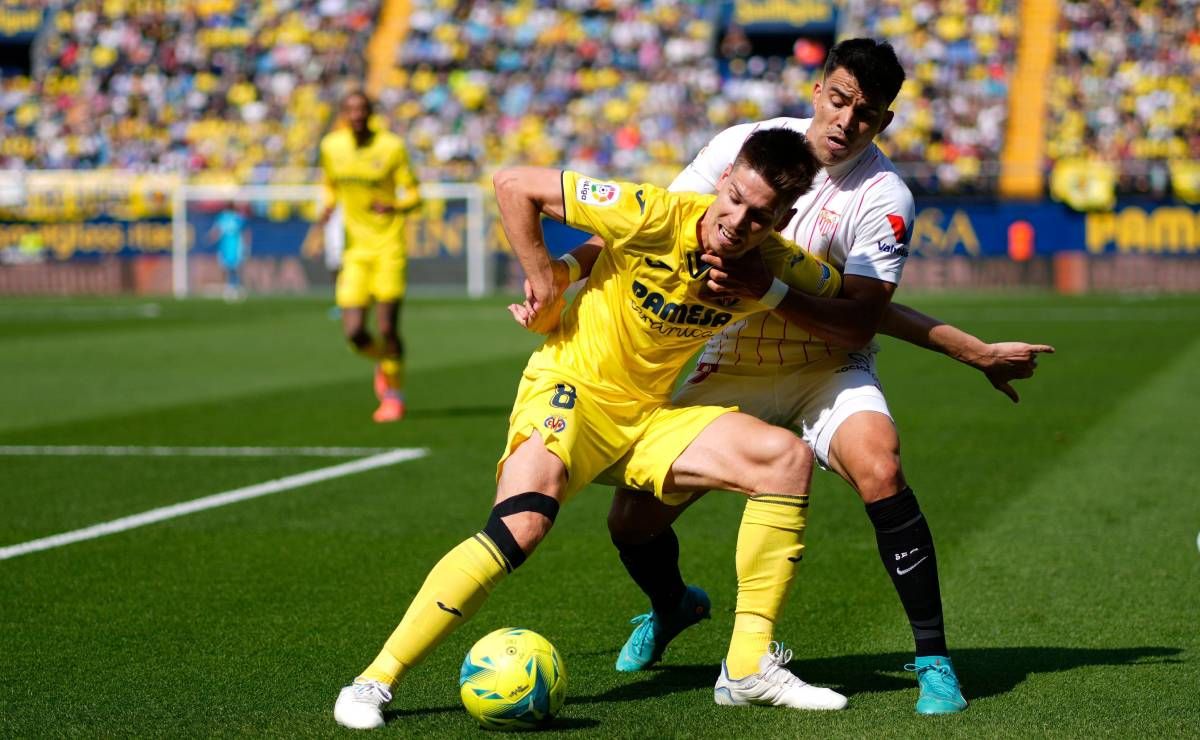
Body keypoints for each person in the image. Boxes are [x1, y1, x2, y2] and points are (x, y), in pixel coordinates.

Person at [549, 38, 1054, 715]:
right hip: (731, 362)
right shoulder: (745, 145)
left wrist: (770, 292)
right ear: (818, 89)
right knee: (630, 523)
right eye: (840, 99)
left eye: (867, 113)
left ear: (884, 122)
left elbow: (861, 321)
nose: (846, 121)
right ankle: (671, 608)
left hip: (827, 368)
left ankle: (934, 658)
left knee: (881, 465)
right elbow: (650, 224)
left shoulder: (884, 195)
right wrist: (565, 273)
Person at [334, 128, 852, 730]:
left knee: (785, 459)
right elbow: (513, 185)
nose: (736, 221)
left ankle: (746, 670)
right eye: (733, 197)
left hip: (647, 418)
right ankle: (373, 681)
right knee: (521, 526)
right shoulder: (653, 212)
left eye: (759, 216)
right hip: (571, 393)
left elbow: (857, 303)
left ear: (783, 218)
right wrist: (547, 281)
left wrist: (962, 347)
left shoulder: (775, 267)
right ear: (727, 174)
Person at [318, 90, 422, 423]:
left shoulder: (391, 147)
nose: (357, 115)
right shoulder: (331, 147)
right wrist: (327, 203)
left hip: (389, 248)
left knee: (388, 327)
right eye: (351, 109)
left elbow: (415, 194)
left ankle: (393, 394)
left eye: (363, 109)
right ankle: (386, 362)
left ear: (371, 112)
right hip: (356, 252)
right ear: (343, 113)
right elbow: (329, 183)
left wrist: (395, 205)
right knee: (353, 333)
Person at [207, 203, 250, 301]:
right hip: (231, 247)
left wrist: (210, 238)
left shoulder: (227, 218)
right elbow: (246, 233)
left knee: (230, 269)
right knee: (233, 269)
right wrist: (247, 246)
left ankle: (234, 288)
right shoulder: (236, 218)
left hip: (231, 247)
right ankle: (233, 288)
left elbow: (216, 232)